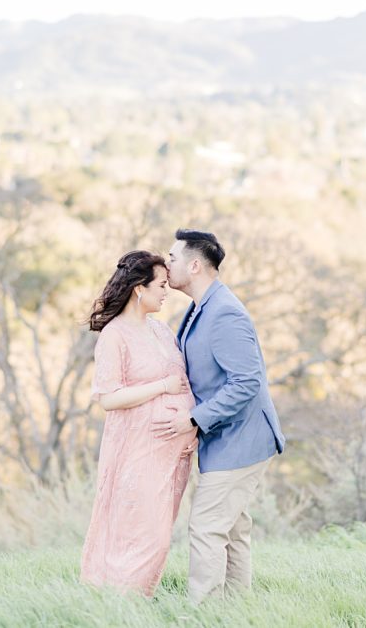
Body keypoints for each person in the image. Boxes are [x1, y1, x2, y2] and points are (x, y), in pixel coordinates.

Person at [153, 228, 285, 604]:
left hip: (241, 440)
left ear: (195, 265)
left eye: (173, 258)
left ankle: (204, 612)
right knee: (234, 529)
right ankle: (234, 610)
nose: (167, 263)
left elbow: (246, 382)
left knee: (207, 528)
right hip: (225, 439)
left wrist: (194, 419)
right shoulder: (201, 307)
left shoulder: (225, 312)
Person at [80, 250, 198, 597]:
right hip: (137, 453)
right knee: (142, 534)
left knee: (160, 534)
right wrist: (161, 388)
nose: (167, 291)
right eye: (161, 285)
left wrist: (191, 424)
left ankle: (134, 604)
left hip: (172, 456)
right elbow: (108, 398)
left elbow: (184, 380)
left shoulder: (161, 331)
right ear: (138, 289)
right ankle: (118, 601)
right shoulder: (115, 336)